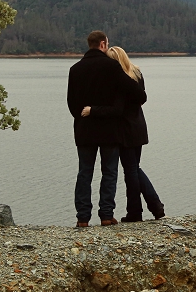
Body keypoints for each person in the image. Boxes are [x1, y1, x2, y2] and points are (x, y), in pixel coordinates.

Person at [66, 30, 147, 227]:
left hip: (84, 130)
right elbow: (138, 94)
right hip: (110, 130)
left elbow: (71, 104)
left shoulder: (75, 69)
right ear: (103, 44)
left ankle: (83, 217)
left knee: (84, 173)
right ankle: (106, 215)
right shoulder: (112, 67)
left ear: (89, 44)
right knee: (109, 172)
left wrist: (86, 114)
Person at [107, 45, 165, 222]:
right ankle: (149, 207)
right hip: (138, 125)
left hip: (125, 128)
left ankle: (141, 210)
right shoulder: (137, 74)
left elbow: (117, 107)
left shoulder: (119, 80)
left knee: (131, 170)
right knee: (134, 168)